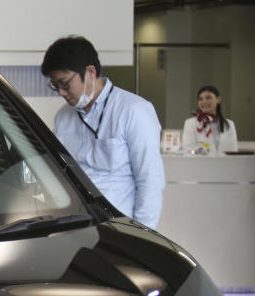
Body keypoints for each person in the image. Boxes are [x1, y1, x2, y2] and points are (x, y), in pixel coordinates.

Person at [41, 36, 165, 228]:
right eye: (55, 86)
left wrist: (143, 234)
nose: (61, 93)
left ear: (90, 72)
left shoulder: (134, 110)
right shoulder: (63, 117)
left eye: (64, 84)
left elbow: (150, 182)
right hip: (75, 227)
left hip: (120, 230)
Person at [182, 85, 238, 156]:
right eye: (200, 99)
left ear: (218, 99)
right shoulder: (190, 123)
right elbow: (188, 151)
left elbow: (233, 151)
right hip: (201, 165)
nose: (204, 102)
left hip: (225, 165)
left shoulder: (229, 124)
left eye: (208, 98)